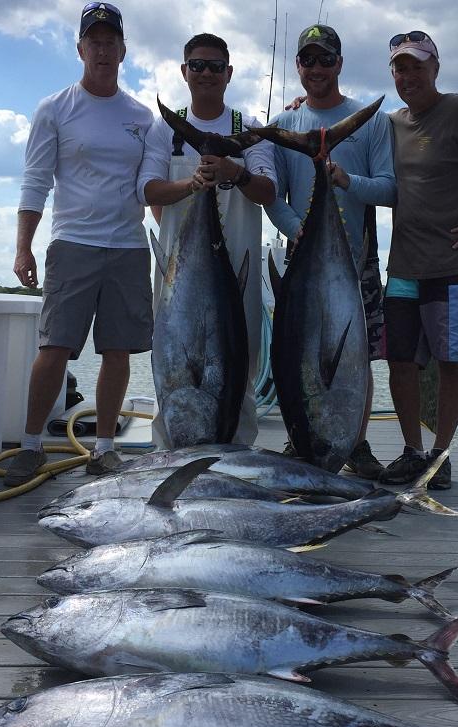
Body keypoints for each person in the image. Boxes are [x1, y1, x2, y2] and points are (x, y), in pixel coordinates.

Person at [4, 2, 154, 486]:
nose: (103, 50)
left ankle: (104, 450)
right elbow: (35, 181)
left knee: (118, 350)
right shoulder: (55, 108)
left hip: (130, 247)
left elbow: (149, 187)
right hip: (73, 243)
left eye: (111, 42)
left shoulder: (142, 116)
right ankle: (30, 447)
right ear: (80, 49)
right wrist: (23, 247)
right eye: (95, 42)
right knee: (55, 347)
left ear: (123, 50)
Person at [265, 24, 396, 479]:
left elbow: (390, 189)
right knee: (295, 350)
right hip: (303, 257)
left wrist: (345, 180)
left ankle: (356, 443)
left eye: (325, 59)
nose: (316, 67)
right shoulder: (284, 126)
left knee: (356, 354)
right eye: (308, 59)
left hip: (355, 259)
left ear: (339, 63)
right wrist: (296, 231)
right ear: (297, 65)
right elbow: (272, 197)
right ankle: (301, 433)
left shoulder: (372, 120)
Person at [136, 32, 277, 448]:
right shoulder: (165, 129)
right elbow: (146, 189)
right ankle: (170, 453)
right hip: (179, 272)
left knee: (240, 361)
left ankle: (237, 452)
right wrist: (192, 183)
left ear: (228, 73)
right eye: (197, 65)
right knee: (173, 357)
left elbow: (268, 191)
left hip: (238, 268)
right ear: (185, 71)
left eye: (215, 66)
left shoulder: (250, 130)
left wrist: (235, 172)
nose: (206, 73)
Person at [381, 31, 458, 490]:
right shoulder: (390, 124)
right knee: (399, 360)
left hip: (455, 266)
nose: (409, 75)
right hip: (402, 266)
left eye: (418, 65)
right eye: (400, 68)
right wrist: (305, 105)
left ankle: (440, 454)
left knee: (452, 361)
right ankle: (411, 451)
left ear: (435, 68)